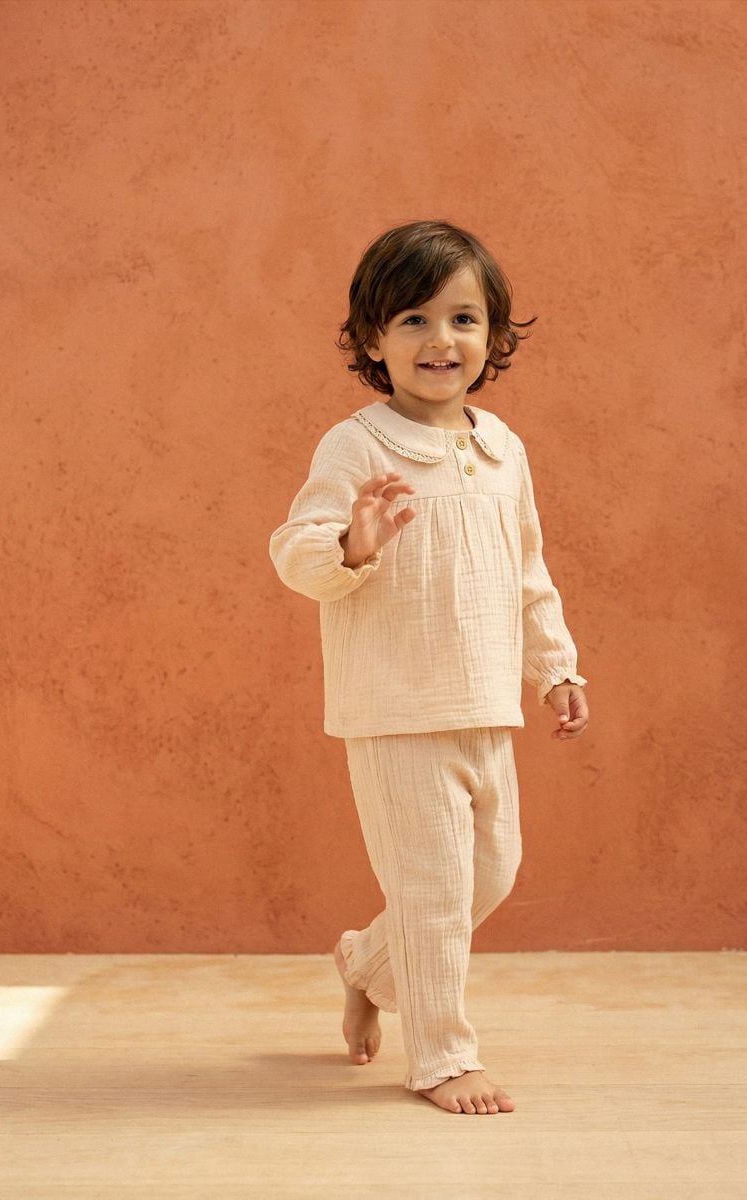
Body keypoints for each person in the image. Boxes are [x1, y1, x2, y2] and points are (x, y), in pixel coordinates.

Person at [268, 219, 589, 1115]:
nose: (440, 339)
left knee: (494, 872)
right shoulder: (358, 445)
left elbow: (528, 571)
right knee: (435, 891)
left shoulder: (503, 449)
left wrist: (556, 668)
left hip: (485, 704)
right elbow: (295, 551)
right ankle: (444, 1057)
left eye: (462, 319)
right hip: (395, 709)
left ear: (493, 336)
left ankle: (367, 964)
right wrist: (353, 542)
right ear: (373, 339)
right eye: (413, 319)